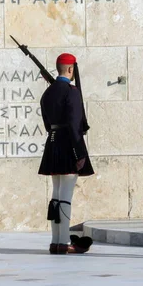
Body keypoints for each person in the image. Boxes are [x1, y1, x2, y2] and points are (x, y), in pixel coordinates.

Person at [38, 53, 94, 255]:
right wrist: (79, 153)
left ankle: (55, 241)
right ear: (71, 70)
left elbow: (47, 123)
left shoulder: (47, 93)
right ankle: (63, 242)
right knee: (66, 195)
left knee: (56, 194)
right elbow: (73, 124)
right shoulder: (71, 92)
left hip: (52, 143)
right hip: (68, 145)